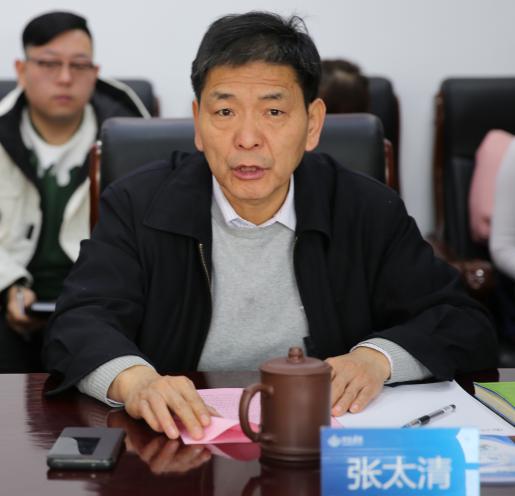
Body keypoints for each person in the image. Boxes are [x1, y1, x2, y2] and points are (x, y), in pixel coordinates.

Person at [44, 11, 497, 441]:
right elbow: (79, 322)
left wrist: (377, 359)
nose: (247, 138)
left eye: (273, 112)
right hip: (179, 447)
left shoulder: (366, 208)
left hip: (326, 447)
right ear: (198, 122)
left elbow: (461, 322)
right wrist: (135, 381)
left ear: (312, 124)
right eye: (225, 112)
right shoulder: (138, 204)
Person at [0, 11, 149, 372]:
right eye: (49, 63)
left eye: (79, 65)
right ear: (22, 70)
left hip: (102, 299)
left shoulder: (129, 131)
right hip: (9, 297)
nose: (65, 78)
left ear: (95, 73)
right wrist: (9, 286)